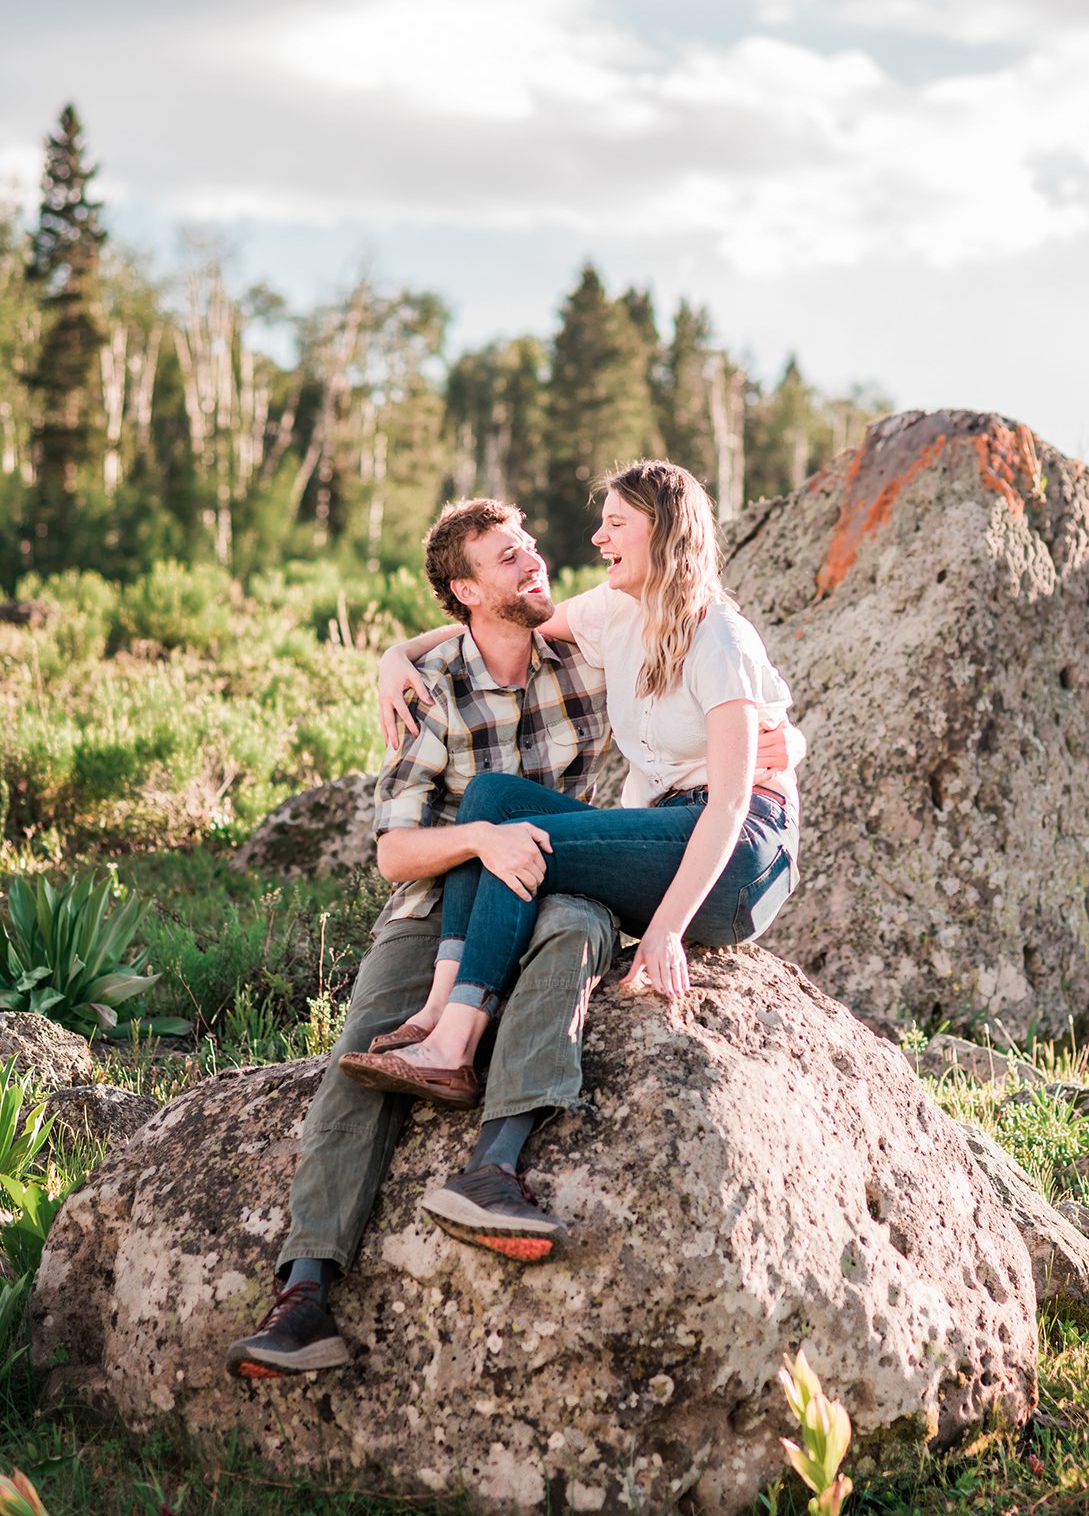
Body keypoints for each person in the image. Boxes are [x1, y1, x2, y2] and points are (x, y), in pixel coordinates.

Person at [225, 490, 795, 1378]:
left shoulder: (584, 654)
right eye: (508, 558)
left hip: (555, 873)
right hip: (438, 898)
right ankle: (304, 1297)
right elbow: (396, 853)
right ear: (463, 591)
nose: (537, 562)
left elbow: (705, 686)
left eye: (531, 546)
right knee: (363, 1063)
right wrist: (395, 667)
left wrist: (778, 741)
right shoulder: (435, 689)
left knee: (572, 927)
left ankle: (496, 1165)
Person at [339, 461, 800, 1266]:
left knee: (523, 845)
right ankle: (450, 1021)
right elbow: (492, 625)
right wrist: (392, 656)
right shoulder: (617, 614)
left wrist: (664, 933)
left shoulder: (720, 635)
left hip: (737, 854)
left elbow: (730, 803)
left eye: (616, 524)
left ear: (661, 530)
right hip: (661, 832)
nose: (595, 539)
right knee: (491, 803)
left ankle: (455, 1054)